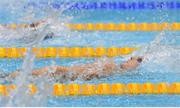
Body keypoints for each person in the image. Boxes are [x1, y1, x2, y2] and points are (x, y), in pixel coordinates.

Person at [2, 56, 143, 81]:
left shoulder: (110, 65)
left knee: (24, 76)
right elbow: (90, 73)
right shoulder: (112, 66)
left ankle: (8, 76)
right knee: (22, 76)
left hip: (66, 72)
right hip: (64, 72)